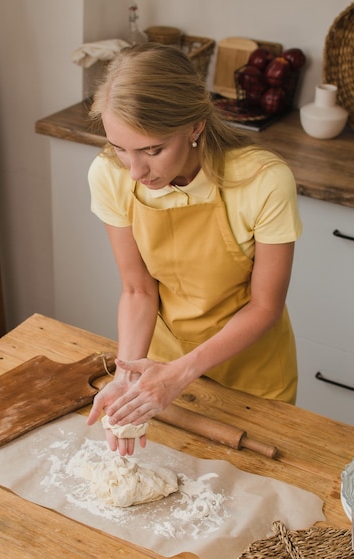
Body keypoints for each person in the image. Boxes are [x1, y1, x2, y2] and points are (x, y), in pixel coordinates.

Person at [86, 42, 302, 455]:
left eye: (152, 150)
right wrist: (129, 377)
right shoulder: (110, 175)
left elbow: (265, 307)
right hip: (161, 367)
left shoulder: (263, 181)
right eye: (119, 147)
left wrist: (179, 374)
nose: (135, 171)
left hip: (253, 375)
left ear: (195, 126)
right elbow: (138, 290)